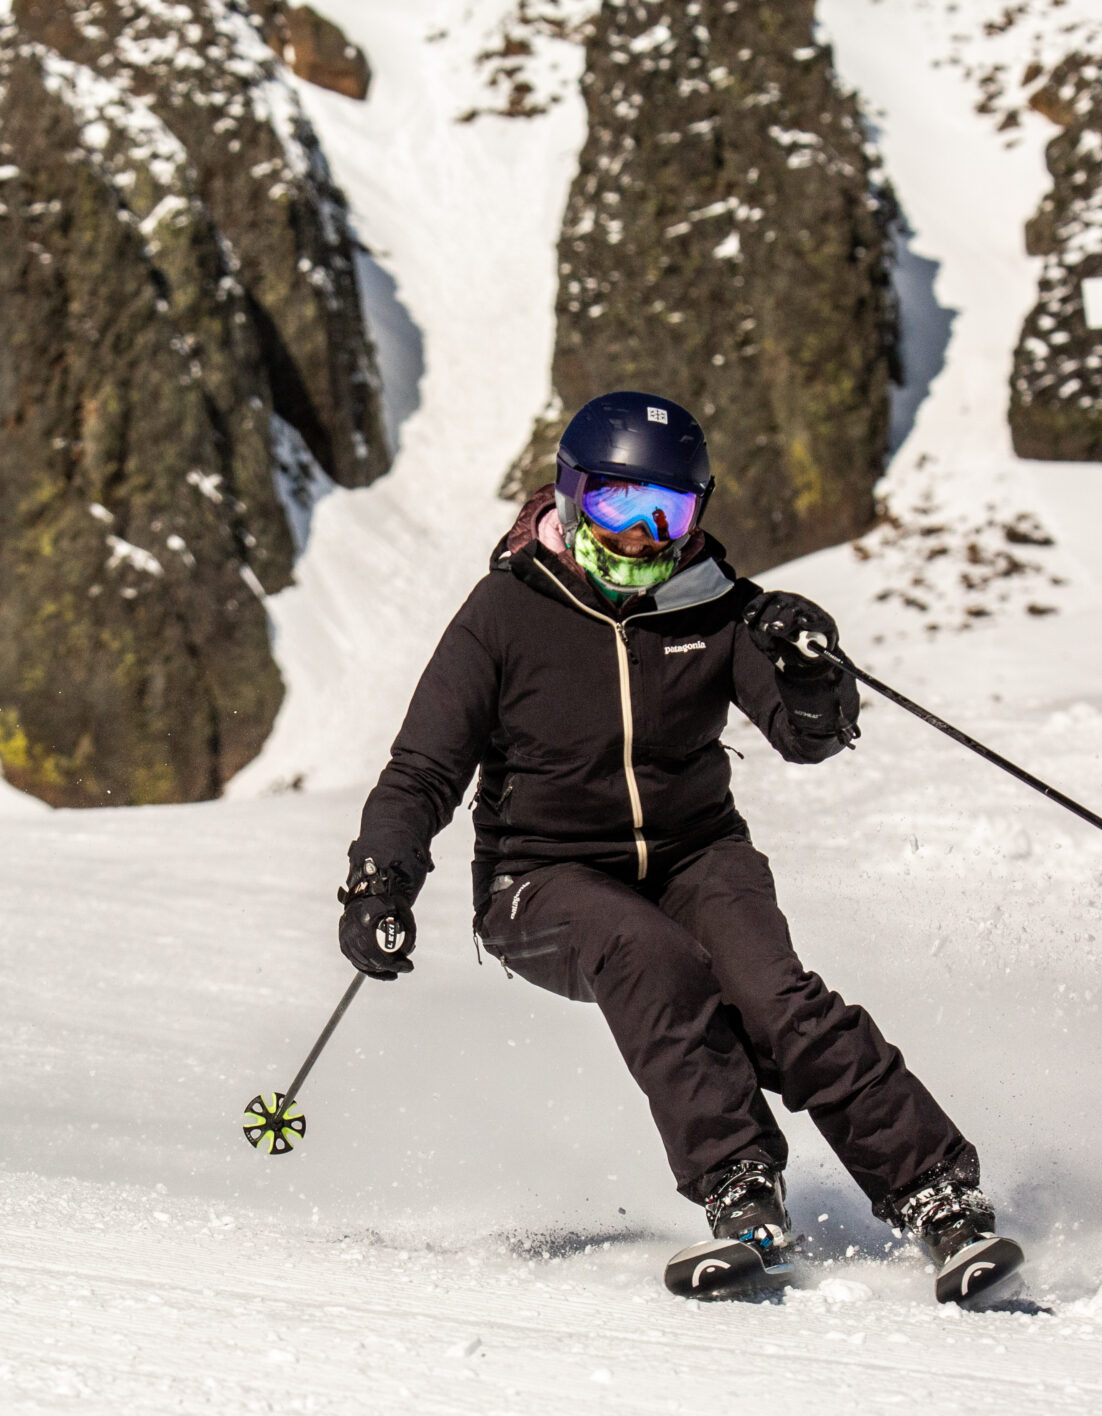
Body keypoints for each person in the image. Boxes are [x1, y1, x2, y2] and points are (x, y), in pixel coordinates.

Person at [339, 391, 1022, 1302]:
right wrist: (380, 884)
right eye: (624, 508)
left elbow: (805, 736)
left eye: (672, 511)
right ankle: (740, 1183)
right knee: (650, 958)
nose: (645, 537)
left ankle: (937, 1195)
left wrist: (814, 675)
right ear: (575, 498)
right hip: (540, 877)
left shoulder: (715, 603)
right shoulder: (507, 611)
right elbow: (424, 767)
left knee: (777, 1001)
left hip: (698, 854)